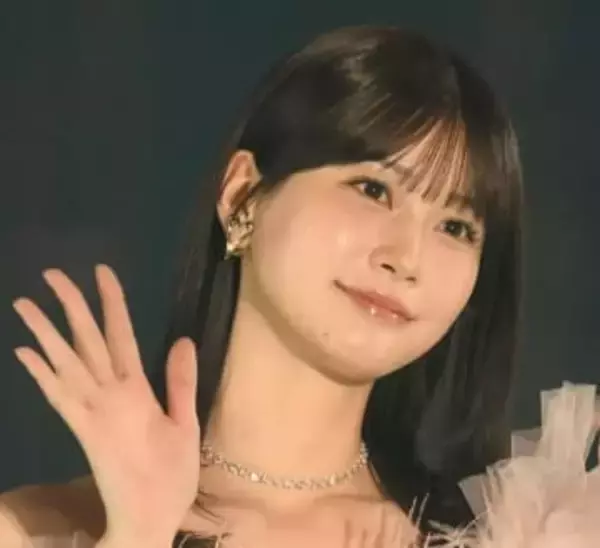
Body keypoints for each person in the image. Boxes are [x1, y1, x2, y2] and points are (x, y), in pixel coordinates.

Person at [0, 24, 527, 547]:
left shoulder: (505, 535)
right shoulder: (32, 531)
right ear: (242, 195)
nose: (407, 258)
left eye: (456, 228)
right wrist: (139, 534)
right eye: (372, 189)